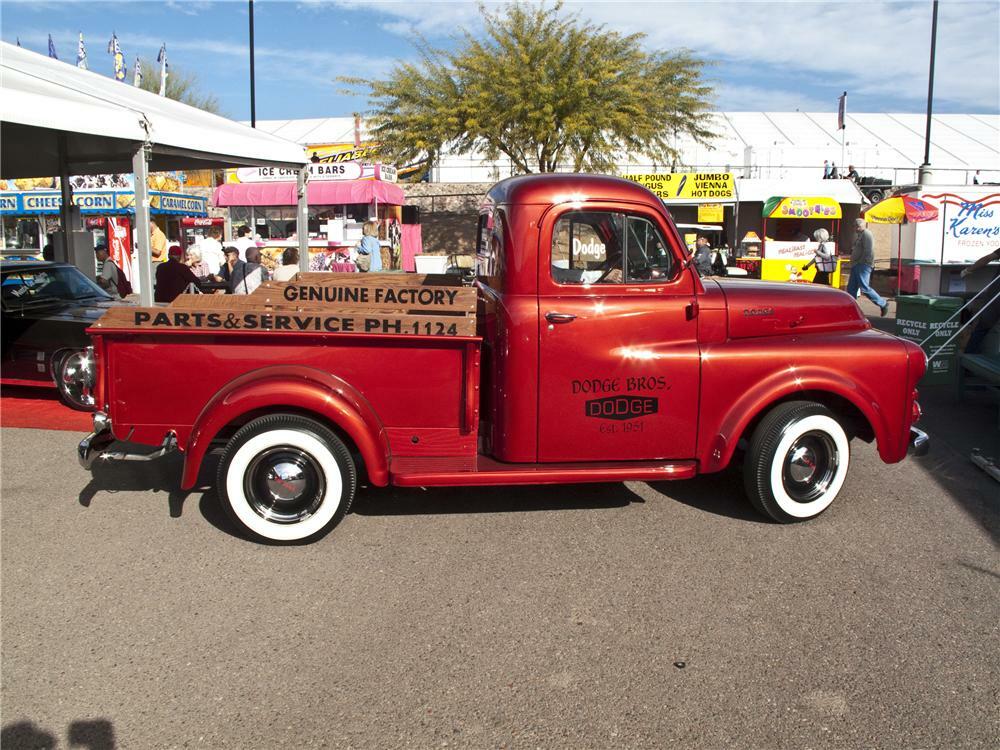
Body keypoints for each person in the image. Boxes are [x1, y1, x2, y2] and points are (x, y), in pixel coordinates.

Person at [959, 246, 1000, 353]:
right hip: (996, 294)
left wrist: (967, 270)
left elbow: (987, 259)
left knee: (982, 327)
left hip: (996, 295)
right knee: (983, 326)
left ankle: (968, 357)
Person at [847, 218, 888, 316]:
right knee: (851, 288)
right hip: (856, 265)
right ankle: (851, 310)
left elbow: (868, 250)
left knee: (864, 287)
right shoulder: (860, 235)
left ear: (859, 226)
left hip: (862, 265)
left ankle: (883, 303)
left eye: (854, 226)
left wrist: (861, 262)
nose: (854, 228)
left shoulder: (866, 234)